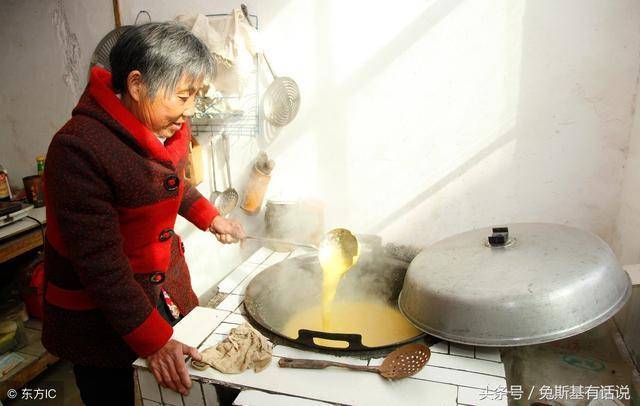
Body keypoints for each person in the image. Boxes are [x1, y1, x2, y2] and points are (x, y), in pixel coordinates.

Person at [42, 22, 245, 405]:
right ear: (136, 85)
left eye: (195, 96)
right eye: (182, 96)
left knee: (185, 388)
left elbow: (171, 183)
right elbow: (101, 265)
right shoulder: (78, 149)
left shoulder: (163, 126)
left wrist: (211, 218)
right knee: (112, 395)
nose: (189, 110)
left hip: (161, 289)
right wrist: (154, 342)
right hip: (99, 313)